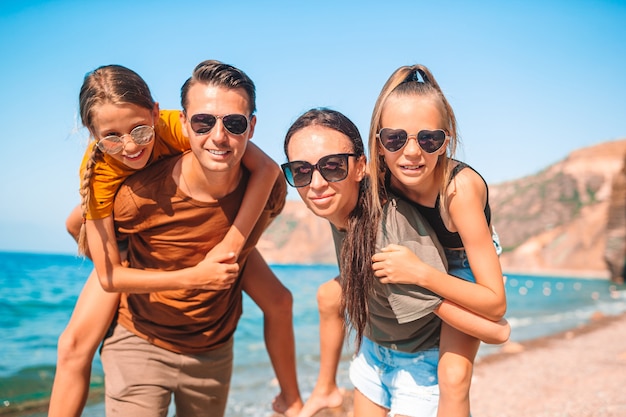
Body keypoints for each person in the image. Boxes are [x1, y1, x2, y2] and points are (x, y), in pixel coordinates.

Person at [50, 63, 301, 417]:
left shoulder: (187, 127)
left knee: (280, 299)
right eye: (111, 137)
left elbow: (268, 169)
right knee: (73, 345)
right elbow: (99, 261)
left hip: (203, 254)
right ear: (93, 134)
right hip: (121, 249)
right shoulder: (101, 172)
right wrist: (190, 275)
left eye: (139, 131)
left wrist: (229, 245)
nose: (129, 146)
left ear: (156, 114)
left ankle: (292, 401)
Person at [282, 108, 509, 417]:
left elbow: (493, 330)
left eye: (332, 166)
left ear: (360, 167)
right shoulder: (339, 204)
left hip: (419, 361)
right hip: (377, 349)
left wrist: (498, 331)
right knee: (328, 294)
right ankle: (325, 390)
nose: (317, 183)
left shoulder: (390, 237)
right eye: (301, 171)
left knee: (455, 379)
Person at [367, 64, 508, 416]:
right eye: (395, 139)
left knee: (454, 376)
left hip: (461, 264)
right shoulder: (380, 175)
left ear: (447, 141)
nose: (412, 152)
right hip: (415, 254)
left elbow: (494, 303)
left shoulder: (458, 191)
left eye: (429, 139)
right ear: (379, 143)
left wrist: (420, 274)